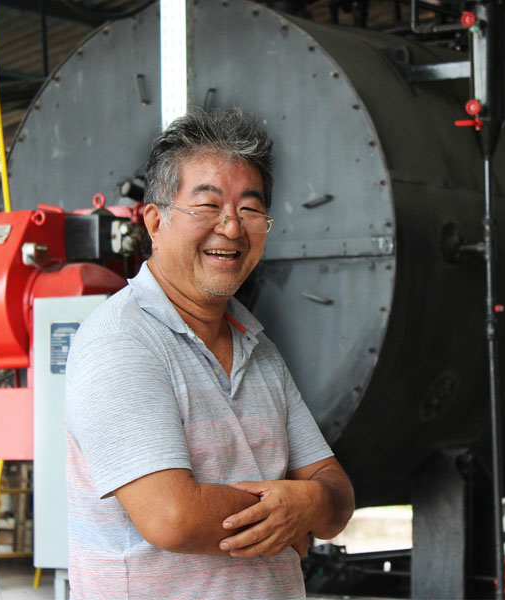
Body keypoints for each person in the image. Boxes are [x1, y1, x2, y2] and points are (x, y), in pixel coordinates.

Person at [64, 108, 355, 599]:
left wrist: (308, 503)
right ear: (155, 222)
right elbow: (173, 517)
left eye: (250, 210)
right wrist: (291, 514)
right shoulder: (122, 342)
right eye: (207, 205)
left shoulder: (257, 347)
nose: (232, 228)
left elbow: (338, 495)